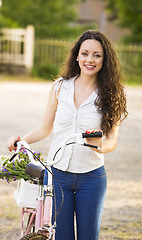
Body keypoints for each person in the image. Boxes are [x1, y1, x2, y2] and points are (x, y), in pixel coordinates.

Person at [7, 30, 128, 240]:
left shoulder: (112, 94)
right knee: (60, 236)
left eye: (97, 55)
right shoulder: (59, 87)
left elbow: (112, 141)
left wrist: (100, 145)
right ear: (77, 56)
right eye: (85, 53)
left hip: (91, 177)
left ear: (104, 59)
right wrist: (21, 140)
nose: (90, 60)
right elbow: (45, 127)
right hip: (57, 176)